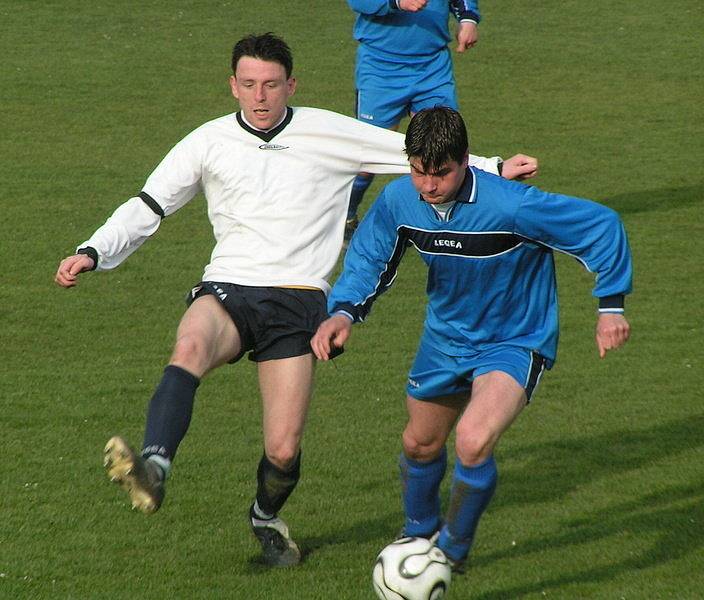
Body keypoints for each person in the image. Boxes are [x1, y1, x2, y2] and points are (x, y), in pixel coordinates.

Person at [54, 35, 535, 568]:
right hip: (230, 287)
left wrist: (491, 166)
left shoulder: (327, 131)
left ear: (291, 85)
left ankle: (265, 518)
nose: (259, 97)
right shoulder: (207, 141)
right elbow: (150, 204)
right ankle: (154, 467)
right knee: (190, 343)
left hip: (300, 300)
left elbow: (409, 154)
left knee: (283, 450)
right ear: (232, 85)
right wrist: (94, 249)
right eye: (249, 84)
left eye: (271, 84)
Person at [311, 107, 632, 577]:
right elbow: (369, 256)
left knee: (473, 440)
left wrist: (610, 308)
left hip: (515, 339)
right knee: (420, 443)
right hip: (445, 339)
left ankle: (451, 552)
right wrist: (343, 312)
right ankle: (418, 532)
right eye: (419, 172)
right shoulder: (401, 199)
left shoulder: (511, 206)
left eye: (440, 173)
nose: (429, 185)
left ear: (465, 161)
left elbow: (600, 226)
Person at [345, 0, 503, 241]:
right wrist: (397, 2)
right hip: (381, 68)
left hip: (432, 66)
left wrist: (468, 19)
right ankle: (347, 215)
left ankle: (450, 224)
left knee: (444, 147)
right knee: (367, 156)